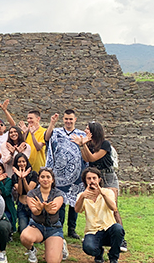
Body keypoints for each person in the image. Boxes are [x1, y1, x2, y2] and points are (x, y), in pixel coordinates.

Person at [71, 121, 127, 252]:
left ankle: (121, 239)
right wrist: (82, 145)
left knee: (113, 207)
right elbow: (86, 158)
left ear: (94, 131)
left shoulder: (105, 144)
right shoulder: (90, 145)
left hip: (107, 177)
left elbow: (94, 158)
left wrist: (83, 144)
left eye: (87, 129)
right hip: (94, 176)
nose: (85, 130)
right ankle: (95, 234)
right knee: (93, 204)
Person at [45, 110, 87, 239]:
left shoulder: (81, 134)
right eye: (66, 119)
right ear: (63, 119)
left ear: (75, 119)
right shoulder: (57, 132)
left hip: (77, 174)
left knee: (75, 202)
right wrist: (52, 123)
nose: (68, 121)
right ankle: (60, 226)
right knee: (60, 202)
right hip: (59, 175)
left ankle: (72, 229)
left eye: (71, 119)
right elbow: (47, 138)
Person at [75, 167, 124, 263]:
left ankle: (113, 257)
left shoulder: (108, 192)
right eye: (89, 178)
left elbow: (113, 207)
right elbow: (77, 209)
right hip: (92, 231)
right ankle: (98, 253)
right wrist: (82, 197)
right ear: (85, 181)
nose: (92, 181)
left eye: (94, 178)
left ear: (99, 179)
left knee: (118, 229)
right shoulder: (82, 195)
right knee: (88, 248)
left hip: (108, 229)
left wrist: (102, 193)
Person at [20, 167, 66, 263]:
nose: (45, 179)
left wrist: (48, 209)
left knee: (52, 261)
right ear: (38, 179)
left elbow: (54, 210)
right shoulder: (32, 193)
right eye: (42, 177)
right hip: (37, 226)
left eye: (48, 177)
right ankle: (32, 250)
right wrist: (39, 209)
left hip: (54, 228)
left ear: (52, 180)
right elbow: (34, 211)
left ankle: (60, 245)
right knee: (25, 237)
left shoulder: (58, 193)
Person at [11, 153, 38, 233]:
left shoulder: (33, 174)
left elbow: (29, 191)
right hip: (21, 206)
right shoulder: (14, 177)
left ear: (27, 162)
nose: (21, 164)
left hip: (32, 204)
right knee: (23, 230)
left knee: (33, 229)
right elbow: (19, 191)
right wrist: (20, 178)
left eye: (23, 161)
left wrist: (24, 179)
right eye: (19, 162)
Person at [0, 162, 17, 234]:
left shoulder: (8, 181)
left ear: (3, 171)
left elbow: (5, 193)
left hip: (6, 208)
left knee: (6, 218)